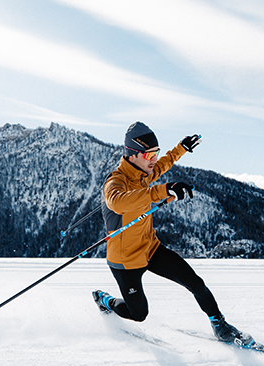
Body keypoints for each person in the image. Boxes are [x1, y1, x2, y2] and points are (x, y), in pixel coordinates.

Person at [92, 122, 253, 347]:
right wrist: (163, 190)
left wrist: (181, 148)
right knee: (138, 314)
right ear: (132, 154)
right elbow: (117, 203)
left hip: (150, 249)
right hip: (125, 260)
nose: (154, 159)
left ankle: (220, 325)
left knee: (195, 283)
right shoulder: (115, 182)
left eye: (155, 153)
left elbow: (163, 165)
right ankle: (105, 300)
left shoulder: (143, 172)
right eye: (149, 154)